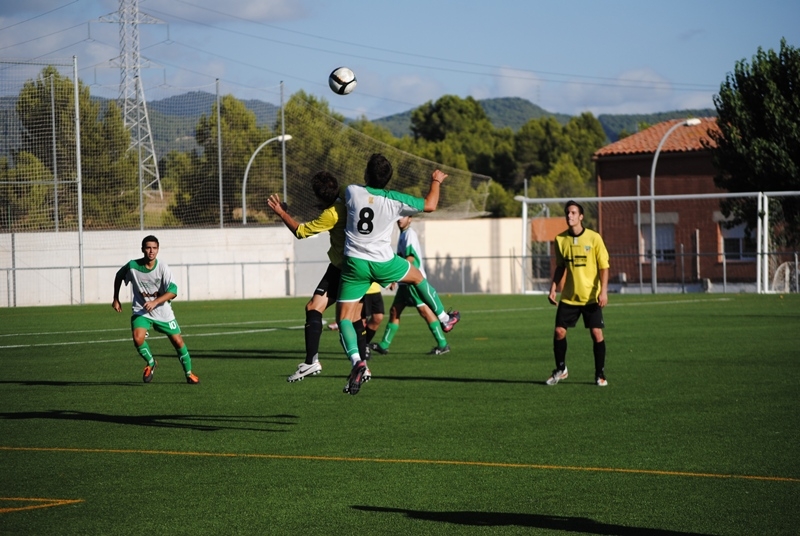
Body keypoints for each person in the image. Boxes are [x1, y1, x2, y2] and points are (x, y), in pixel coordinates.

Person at [337, 153, 460, 395]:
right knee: (418, 278)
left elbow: (336, 196)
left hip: (356, 264)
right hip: (384, 263)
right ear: (388, 179)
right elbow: (431, 205)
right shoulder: (394, 199)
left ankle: (357, 362)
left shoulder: (352, 191)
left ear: (365, 174)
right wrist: (436, 181)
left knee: (343, 318)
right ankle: (445, 318)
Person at [267, 171, 368, 382]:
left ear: (320, 196)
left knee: (314, 308)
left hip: (342, 267)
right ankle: (363, 367)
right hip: (362, 264)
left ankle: (312, 362)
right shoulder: (347, 192)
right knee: (355, 316)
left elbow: (301, 232)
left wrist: (281, 213)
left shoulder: (330, 215)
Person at [112, 235, 199, 384]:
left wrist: (155, 302)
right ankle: (151, 363)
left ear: (158, 250)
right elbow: (119, 275)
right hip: (142, 310)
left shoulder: (162, 268)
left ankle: (189, 373)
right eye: (148, 248)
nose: (151, 251)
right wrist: (116, 298)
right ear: (142, 249)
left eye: (154, 248)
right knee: (137, 338)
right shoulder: (132, 266)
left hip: (162, 311)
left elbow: (173, 291)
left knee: (178, 342)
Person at [546, 200, 610, 387]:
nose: (569, 216)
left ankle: (600, 374)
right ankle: (561, 369)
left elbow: (604, 266)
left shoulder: (594, 238)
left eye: (573, 212)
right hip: (569, 297)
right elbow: (560, 267)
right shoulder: (560, 240)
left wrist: (603, 291)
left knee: (596, 333)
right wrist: (553, 288)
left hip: (591, 297)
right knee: (559, 332)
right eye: (567, 212)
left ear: (581, 216)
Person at [371, 215, 450, 356]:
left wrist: (395, 275)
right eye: (399, 217)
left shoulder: (409, 234)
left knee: (424, 312)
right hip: (405, 281)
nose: (400, 219)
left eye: (404, 216)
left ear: (410, 219)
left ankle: (443, 343)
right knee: (395, 311)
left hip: (413, 280)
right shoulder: (403, 234)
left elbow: (411, 258)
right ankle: (384, 345)